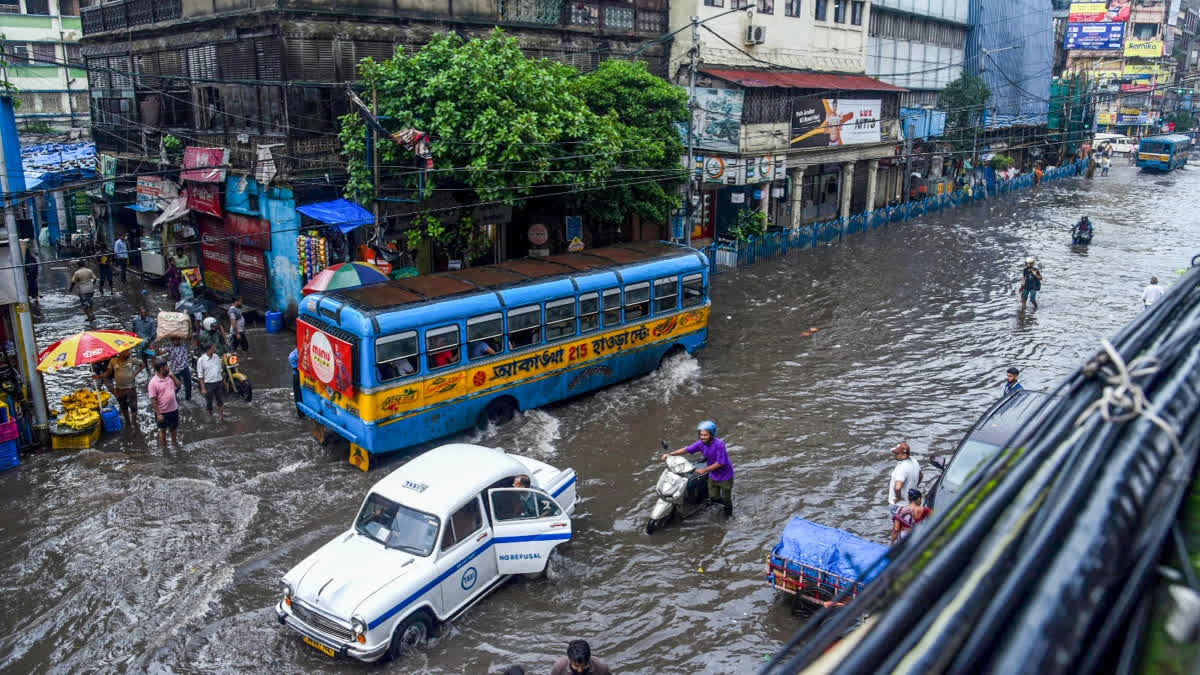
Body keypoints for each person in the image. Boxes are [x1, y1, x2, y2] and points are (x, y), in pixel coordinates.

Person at [662, 420, 735, 517]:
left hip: (725, 476)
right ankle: (717, 502)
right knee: (713, 496)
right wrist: (670, 454)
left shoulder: (720, 444)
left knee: (726, 499)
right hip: (713, 474)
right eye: (701, 435)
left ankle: (729, 515)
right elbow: (687, 449)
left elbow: (721, 463)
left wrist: (704, 470)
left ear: (711, 434)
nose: (703, 437)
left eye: (705, 435)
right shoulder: (701, 443)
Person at [103, 349, 144, 428]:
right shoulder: (113, 361)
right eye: (126, 351)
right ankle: (128, 423)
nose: (129, 352)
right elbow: (108, 373)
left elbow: (142, 365)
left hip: (130, 388)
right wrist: (98, 376)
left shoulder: (132, 360)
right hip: (119, 389)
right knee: (123, 406)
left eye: (129, 351)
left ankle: (134, 423)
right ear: (120, 352)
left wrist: (135, 374)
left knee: (134, 408)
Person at [147, 360, 181, 448]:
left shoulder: (170, 377)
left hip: (173, 409)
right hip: (162, 412)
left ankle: (174, 445)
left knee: (174, 429)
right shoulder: (153, 383)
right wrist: (159, 414)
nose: (168, 367)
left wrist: (173, 376)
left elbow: (179, 385)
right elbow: (153, 400)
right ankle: (165, 449)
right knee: (163, 431)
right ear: (162, 368)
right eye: (166, 366)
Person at [887, 441, 921, 518]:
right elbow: (921, 475)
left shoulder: (901, 468)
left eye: (897, 454)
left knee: (898, 527)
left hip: (899, 505)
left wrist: (898, 497)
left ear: (904, 455)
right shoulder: (914, 462)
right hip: (911, 503)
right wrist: (915, 485)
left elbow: (898, 487)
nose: (895, 455)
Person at [197, 343, 226, 421]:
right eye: (213, 348)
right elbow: (200, 376)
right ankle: (210, 415)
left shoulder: (216, 357)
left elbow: (220, 370)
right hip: (208, 384)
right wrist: (203, 388)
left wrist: (223, 381)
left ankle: (221, 417)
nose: (215, 349)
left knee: (220, 401)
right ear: (208, 350)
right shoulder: (201, 360)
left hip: (218, 382)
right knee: (209, 402)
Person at [162, 336, 192, 402]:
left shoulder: (183, 345)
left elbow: (189, 338)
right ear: (172, 341)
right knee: (177, 386)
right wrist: (157, 344)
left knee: (188, 384)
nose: (177, 341)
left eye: (178, 339)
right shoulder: (170, 348)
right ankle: (171, 396)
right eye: (175, 340)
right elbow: (159, 353)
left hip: (185, 367)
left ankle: (188, 398)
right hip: (176, 369)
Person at [289, 348, 303, 418]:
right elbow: (291, 357)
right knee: (298, 395)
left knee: (299, 395)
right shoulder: (297, 351)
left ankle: (301, 414)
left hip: (298, 374)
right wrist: (297, 368)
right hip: (298, 375)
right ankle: (301, 414)